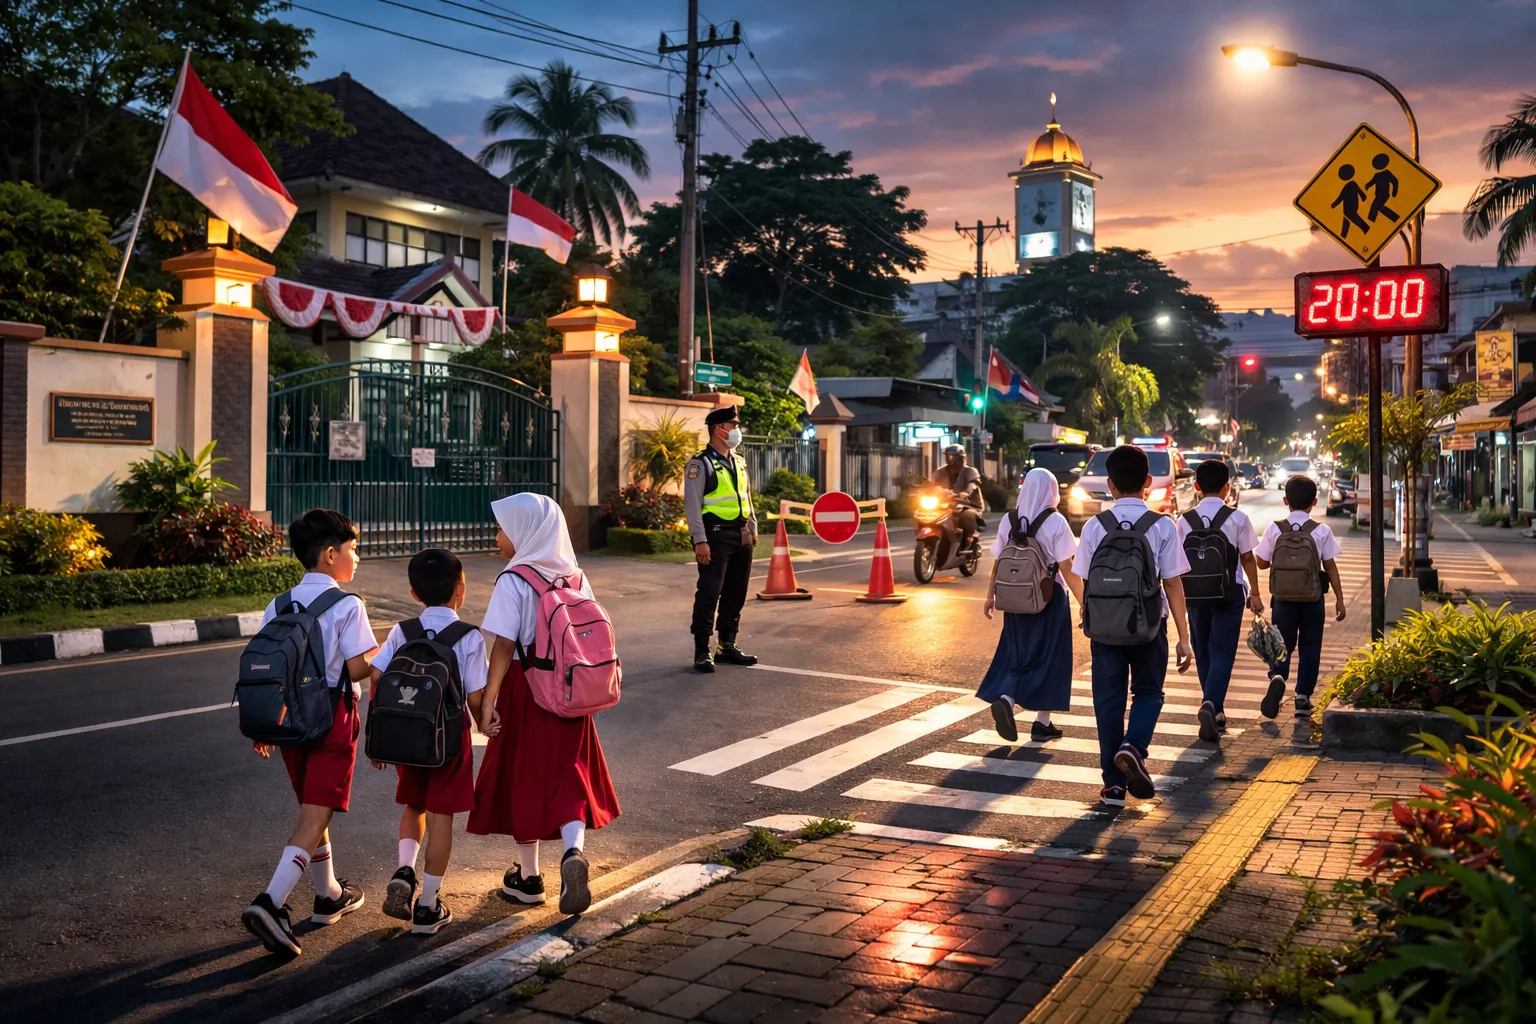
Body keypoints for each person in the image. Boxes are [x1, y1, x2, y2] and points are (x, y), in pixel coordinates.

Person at [468, 493, 620, 917]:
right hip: (570, 690)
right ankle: (573, 853)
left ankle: (529, 878)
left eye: (503, 529)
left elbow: (501, 646)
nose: (497, 536)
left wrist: (488, 702)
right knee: (569, 775)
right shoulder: (574, 575)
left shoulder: (514, 579)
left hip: (525, 686)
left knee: (525, 777)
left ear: (525, 533)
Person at [241, 509, 379, 957]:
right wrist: (388, 649)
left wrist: (265, 725)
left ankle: (329, 896)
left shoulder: (277, 605)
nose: (356, 558)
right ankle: (270, 902)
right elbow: (359, 667)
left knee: (312, 810)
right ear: (329, 553)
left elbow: (266, 670)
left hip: (286, 722)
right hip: (331, 719)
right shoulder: (347, 604)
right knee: (314, 817)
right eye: (353, 549)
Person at [369, 548, 487, 935]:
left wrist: (376, 733)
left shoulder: (403, 630)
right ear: (461, 590)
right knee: (441, 819)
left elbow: (376, 674)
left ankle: (404, 870)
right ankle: (428, 905)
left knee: (413, 805)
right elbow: (474, 696)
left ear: (414, 593)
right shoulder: (469, 637)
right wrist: (488, 722)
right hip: (449, 743)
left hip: (406, 736)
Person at [1073, 445, 1192, 808]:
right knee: (1149, 692)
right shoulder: (1163, 525)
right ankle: (1134, 746)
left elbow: (1081, 579)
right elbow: (1172, 583)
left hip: (1105, 629)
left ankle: (1112, 786)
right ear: (1148, 483)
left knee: (1107, 702)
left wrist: (1091, 613)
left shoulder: (1095, 526)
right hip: (1149, 626)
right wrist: (1184, 638)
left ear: (1109, 485)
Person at [979, 468, 1083, 742]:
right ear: (1051, 491)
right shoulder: (1056, 521)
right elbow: (1067, 567)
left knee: (1019, 653)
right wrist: (1084, 602)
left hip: (1014, 599)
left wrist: (991, 595)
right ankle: (1033, 716)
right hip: (1049, 598)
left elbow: (1000, 561)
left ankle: (1015, 704)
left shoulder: (1009, 520)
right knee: (1052, 657)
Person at [1176, 459, 1265, 744]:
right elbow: (1248, 557)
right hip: (1229, 593)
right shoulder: (1237, 518)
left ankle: (1213, 706)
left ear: (1197, 487)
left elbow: (1177, 561)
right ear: (1228, 487)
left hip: (1194, 594)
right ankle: (1212, 704)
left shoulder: (1183, 520)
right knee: (1222, 651)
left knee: (1203, 650)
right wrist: (1255, 592)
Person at [1256, 476, 1346, 720]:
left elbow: (1262, 563)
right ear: (1314, 502)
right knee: (1310, 646)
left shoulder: (1275, 528)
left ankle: (1277, 676)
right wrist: (1339, 598)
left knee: (1282, 644)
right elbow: (1330, 566)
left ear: (1286, 500)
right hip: (1313, 598)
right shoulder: (1321, 531)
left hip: (1282, 599)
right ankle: (1303, 698)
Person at [684, 406, 759, 673]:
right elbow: (692, 505)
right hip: (715, 536)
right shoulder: (700, 463)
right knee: (709, 591)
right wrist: (699, 540)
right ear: (719, 429)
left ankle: (727, 644)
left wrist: (752, 526)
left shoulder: (738, 460)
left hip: (742, 535)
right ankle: (702, 649)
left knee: (735, 593)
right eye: (733, 425)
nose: (737, 430)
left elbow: (745, 495)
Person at [931, 443, 983, 547]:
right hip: (945, 504)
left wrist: (966, 492)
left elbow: (973, 484)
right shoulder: (940, 471)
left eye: (951, 456)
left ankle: (969, 538)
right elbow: (932, 484)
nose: (948, 458)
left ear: (960, 458)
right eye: (947, 456)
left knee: (967, 516)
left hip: (967, 504)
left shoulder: (970, 471)